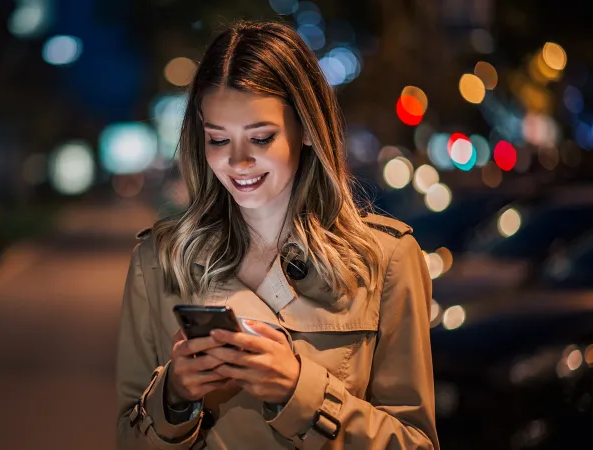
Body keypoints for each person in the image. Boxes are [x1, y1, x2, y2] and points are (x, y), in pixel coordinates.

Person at [116, 20, 439, 449]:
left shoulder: (384, 259)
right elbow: (127, 438)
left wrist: (298, 390)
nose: (238, 161)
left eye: (261, 137)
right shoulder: (159, 261)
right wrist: (174, 396)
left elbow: (415, 443)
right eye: (217, 139)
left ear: (306, 128)